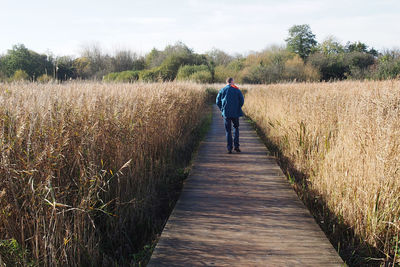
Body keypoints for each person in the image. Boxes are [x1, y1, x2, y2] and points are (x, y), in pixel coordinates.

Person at [216, 77, 244, 154]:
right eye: (233, 82)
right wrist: (238, 107)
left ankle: (229, 148)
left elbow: (217, 101)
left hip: (226, 113)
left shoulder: (222, 90)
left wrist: (222, 109)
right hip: (235, 113)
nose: (234, 83)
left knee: (228, 131)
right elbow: (242, 100)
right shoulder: (237, 90)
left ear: (227, 82)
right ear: (231, 82)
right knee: (236, 129)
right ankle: (236, 147)